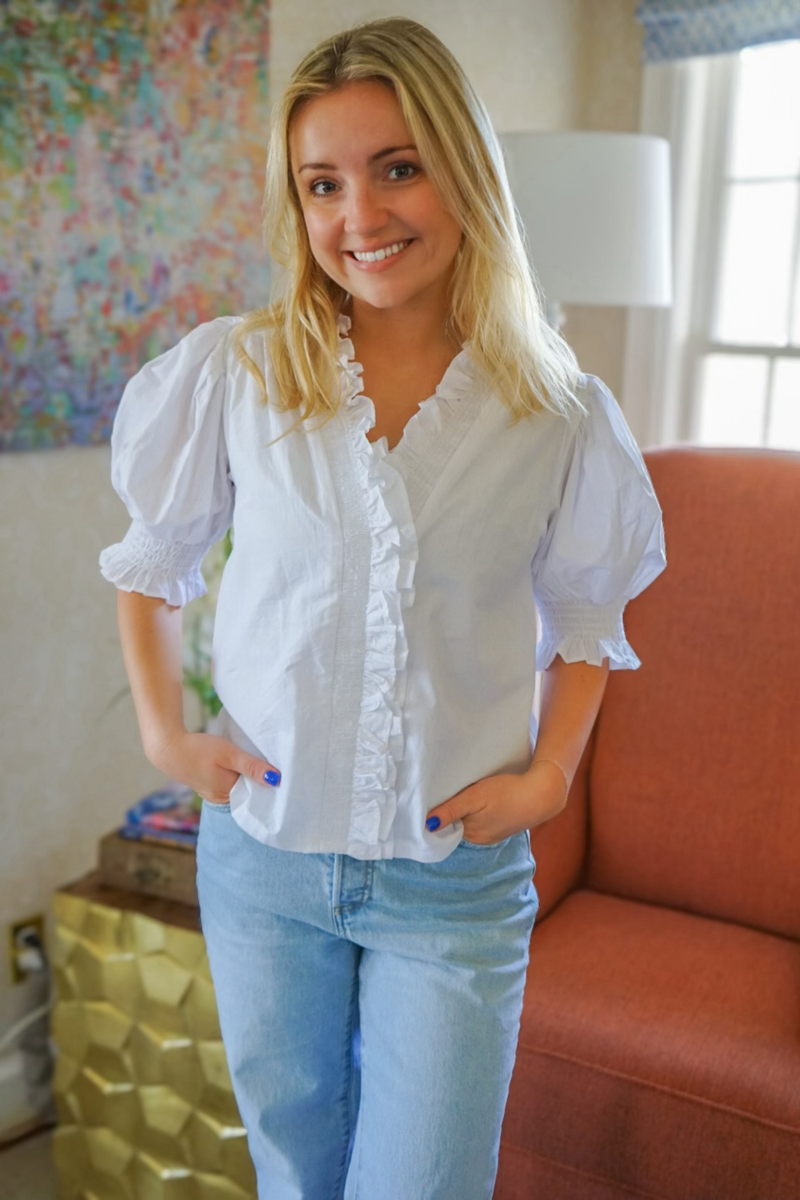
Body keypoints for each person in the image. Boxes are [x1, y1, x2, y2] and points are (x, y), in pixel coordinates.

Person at [99, 16, 667, 1200]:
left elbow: (584, 616)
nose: (360, 216)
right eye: (323, 183)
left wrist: (551, 776)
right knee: (297, 1179)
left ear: (462, 167)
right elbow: (154, 562)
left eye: (397, 166)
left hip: (448, 880)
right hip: (261, 861)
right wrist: (165, 736)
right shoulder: (237, 373)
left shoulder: (557, 411)